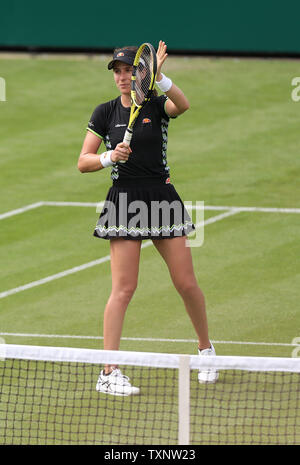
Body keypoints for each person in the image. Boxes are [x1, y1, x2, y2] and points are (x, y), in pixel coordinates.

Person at [78, 41, 218, 396]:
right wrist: (110, 157)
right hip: (125, 201)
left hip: (161, 197)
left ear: (141, 74)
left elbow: (183, 105)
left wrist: (162, 78)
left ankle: (206, 351)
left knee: (186, 283)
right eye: (118, 72)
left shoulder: (155, 104)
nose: (123, 77)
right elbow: (83, 162)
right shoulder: (104, 113)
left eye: (129, 71)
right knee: (123, 289)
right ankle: (109, 372)